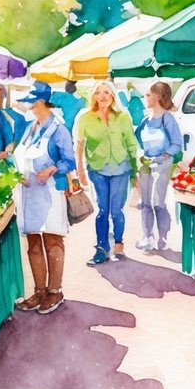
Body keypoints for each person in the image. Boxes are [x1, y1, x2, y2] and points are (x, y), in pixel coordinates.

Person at [12, 82, 76, 315]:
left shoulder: (59, 129)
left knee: (52, 241)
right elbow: (18, 155)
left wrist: (50, 170)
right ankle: (39, 290)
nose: (27, 104)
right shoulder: (30, 128)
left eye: (30, 100)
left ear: (39, 102)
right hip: (29, 192)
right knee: (33, 242)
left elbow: (70, 161)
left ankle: (55, 290)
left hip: (51, 190)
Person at [77, 81, 139, 265]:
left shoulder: (123, 117)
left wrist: (135, 171)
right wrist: (79, 170)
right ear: (93, 96)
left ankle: (118, 243)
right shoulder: (85, 118)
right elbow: (80, 144)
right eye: (98, 93)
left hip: (121, 168)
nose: (103, 96)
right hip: (98, 169)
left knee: (117, 211)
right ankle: (102, 248)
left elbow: (132, 145)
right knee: (102, 210)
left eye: (107, 92)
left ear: (113, 96)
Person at [134, 82, 183, 251]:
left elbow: (177, 144)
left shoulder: (167, 119)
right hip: (146, 165)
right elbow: (136, 140)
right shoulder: (145, 120)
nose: (145, 98)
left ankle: (162, 237)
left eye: (148, 95)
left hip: (162, 165)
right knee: (145, 202)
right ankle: (147, 236)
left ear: (158, 96)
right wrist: (142, 155)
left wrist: (162, 156)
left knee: (158, 202)